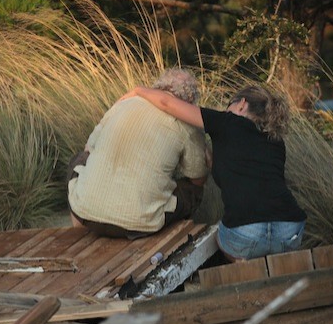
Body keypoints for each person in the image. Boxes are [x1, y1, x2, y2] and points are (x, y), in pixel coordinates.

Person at [120, 84, 306, 261]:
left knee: (221, 238)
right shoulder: (276, 142)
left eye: (228, 105)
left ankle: (244, 265)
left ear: (241, 104)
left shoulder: (226, 121)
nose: (226, 111)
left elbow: (167, 104)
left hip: (246, 234)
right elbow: (253, 178)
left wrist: (139, 91)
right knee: (268, 245)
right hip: (290, 230)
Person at [67, 69, 209, 238]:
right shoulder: (187, 123)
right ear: (190, 101)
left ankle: (80, 228)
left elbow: (88, 149)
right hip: (138, 224)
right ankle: (171, 237)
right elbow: (198, 177)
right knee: (193, 190)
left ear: (157, 86)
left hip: (86, 214)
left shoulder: (124, 103)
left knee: (79, 160)